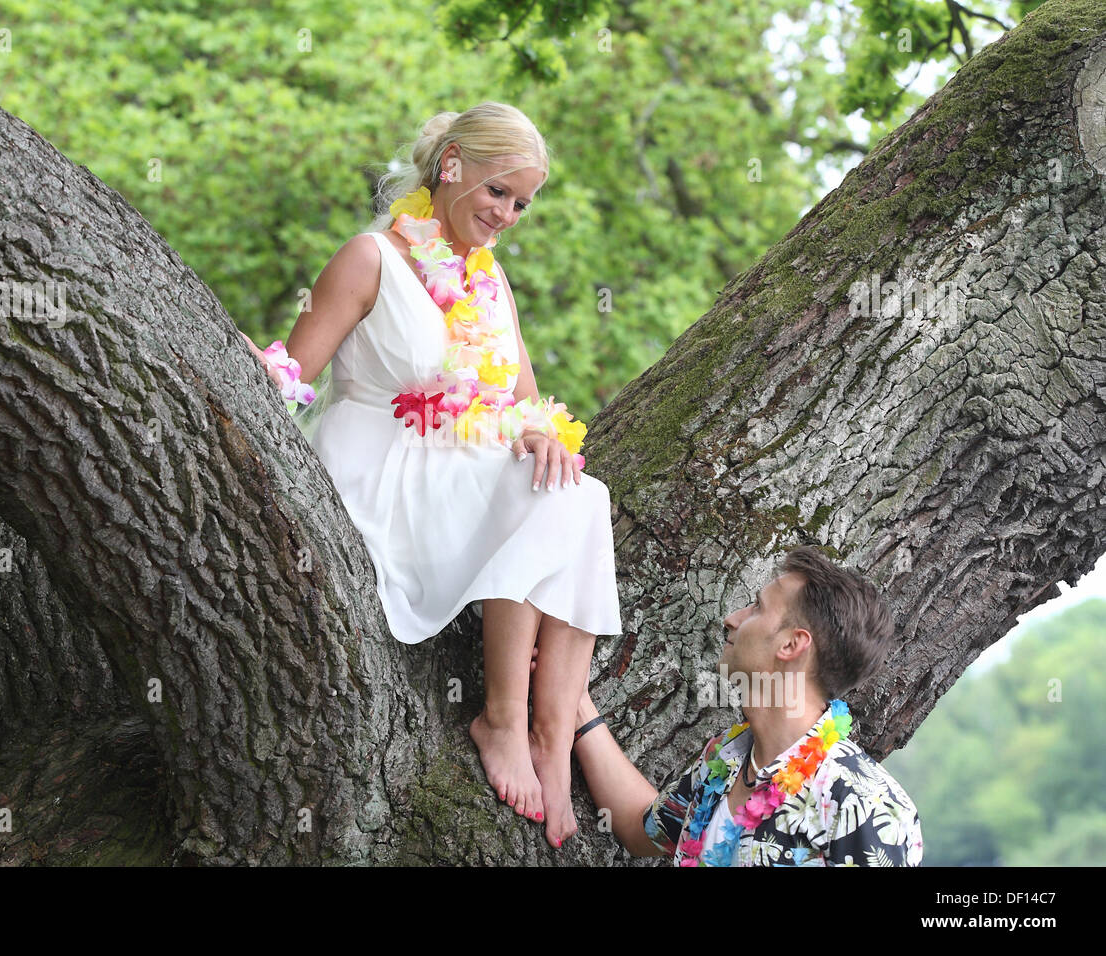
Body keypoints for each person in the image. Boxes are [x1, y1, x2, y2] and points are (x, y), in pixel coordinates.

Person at [241, 103, 623, 849]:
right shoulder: (369, 257)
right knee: (542, 492)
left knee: (580, 488)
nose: (508, 214)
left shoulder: (487, 280)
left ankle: (551, 728)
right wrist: (251, 378)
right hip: (380, 468)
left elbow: (526, 401)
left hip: (457, 470)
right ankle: (503, 719)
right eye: (498, 193)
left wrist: (544, 431)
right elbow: (291, 373)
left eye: (522, 203)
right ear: (451, 164)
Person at [571, 546, 924, 865]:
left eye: (757, 606)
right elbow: (640, 829)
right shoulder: (724, 758)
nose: (732, 618)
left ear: (791, 644)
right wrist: (575, 701)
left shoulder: (868, 806)